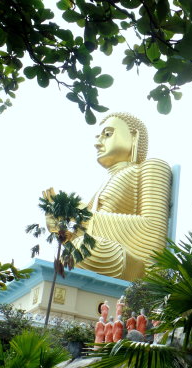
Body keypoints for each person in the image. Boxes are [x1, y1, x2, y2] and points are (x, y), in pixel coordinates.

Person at [51, 112, 172, 281]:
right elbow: (88, 230)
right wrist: (62, 227)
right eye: (98, 136)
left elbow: (153, 231)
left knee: (87, 247)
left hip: (134, 264)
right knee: (76, 249)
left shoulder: (151, 167)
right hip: (98, 254)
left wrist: (82, 216)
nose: (97, 143)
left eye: (107, 134)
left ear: (134, 136)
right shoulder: (103, 183)